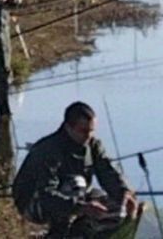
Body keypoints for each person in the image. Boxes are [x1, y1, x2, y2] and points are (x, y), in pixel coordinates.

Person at [12, 102, 140, 239]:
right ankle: (58, 234)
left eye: (92, 131)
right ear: (68, 127)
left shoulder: (93, 145)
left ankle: (78, 233)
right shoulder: (49, 150)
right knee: (76, 184)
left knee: (117, 206)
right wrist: (82, 207)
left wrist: (124, 192)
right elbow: (46, 195)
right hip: (34, 202)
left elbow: (107, 171)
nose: (89, 136)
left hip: (75, 197)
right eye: (84, 131)